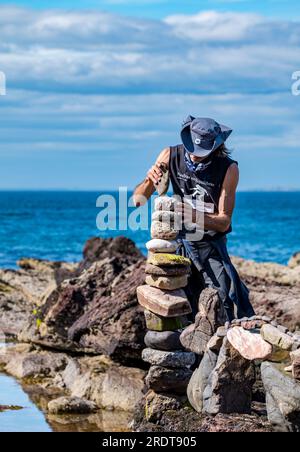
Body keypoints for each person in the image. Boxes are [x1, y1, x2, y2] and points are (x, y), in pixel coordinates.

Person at [133, 115, 255, 321]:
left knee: (222, 302)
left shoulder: (228, 169)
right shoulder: (169, 155)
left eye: (202, 152)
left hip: (211, 246)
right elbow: (138, 200)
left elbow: (224, 221)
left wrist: (194, 216)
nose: (195, 155)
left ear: (216, 146)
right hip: (178, 243)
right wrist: (148, 180)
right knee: (176, 306)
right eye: (192, 149)